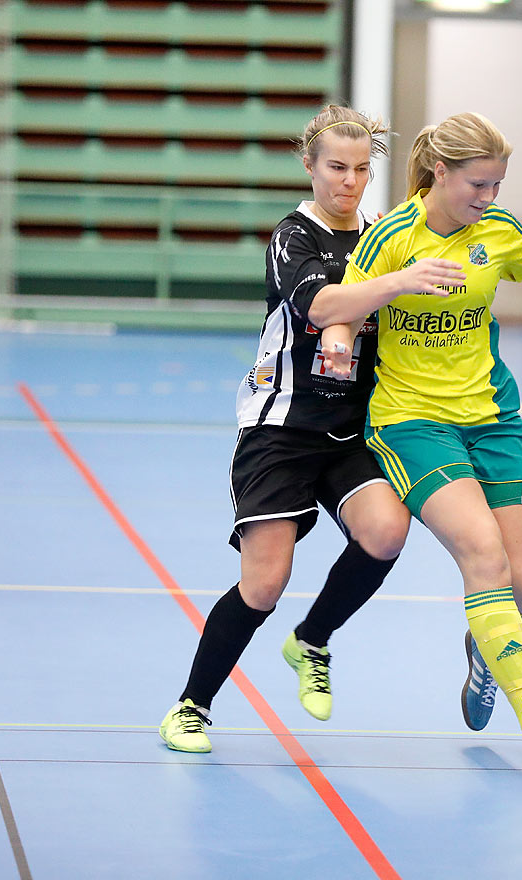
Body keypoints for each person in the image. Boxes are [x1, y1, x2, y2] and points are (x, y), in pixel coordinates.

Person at [318, 112, 522, 772]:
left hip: (492, 418)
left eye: (498, 185)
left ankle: (485, 654)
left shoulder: (496, 233)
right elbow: (345, 308)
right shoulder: (392, 235)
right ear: (440, 173)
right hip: (412, 421)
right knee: (483, 555)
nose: (489, 198)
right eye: (478, 184)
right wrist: (335, 349)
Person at [159, 105, 470, 754]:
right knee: (265, 583)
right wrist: (400, 280)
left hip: (350, 432)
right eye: (335, 168)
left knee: (386, 531)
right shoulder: (291, 236)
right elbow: (319, 305)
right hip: (281, 429)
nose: (348, 182)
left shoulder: (385, 237)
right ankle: (191, 705)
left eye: (360, 169)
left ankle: (312, 641)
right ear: (310, 166)